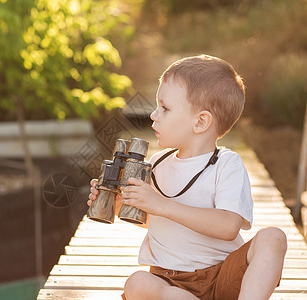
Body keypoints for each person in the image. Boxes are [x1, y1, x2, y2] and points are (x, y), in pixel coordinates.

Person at [87, 55, 287, 300]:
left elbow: (228, 226)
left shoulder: (226, 164)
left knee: (273, 237)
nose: (153, 115)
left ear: (200, 121)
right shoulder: (157, 164)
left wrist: (162, 204)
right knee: (137, 283)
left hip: (223, 277)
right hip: (170, 282)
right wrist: (119, 203)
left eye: (165, 108)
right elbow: (158, 222)